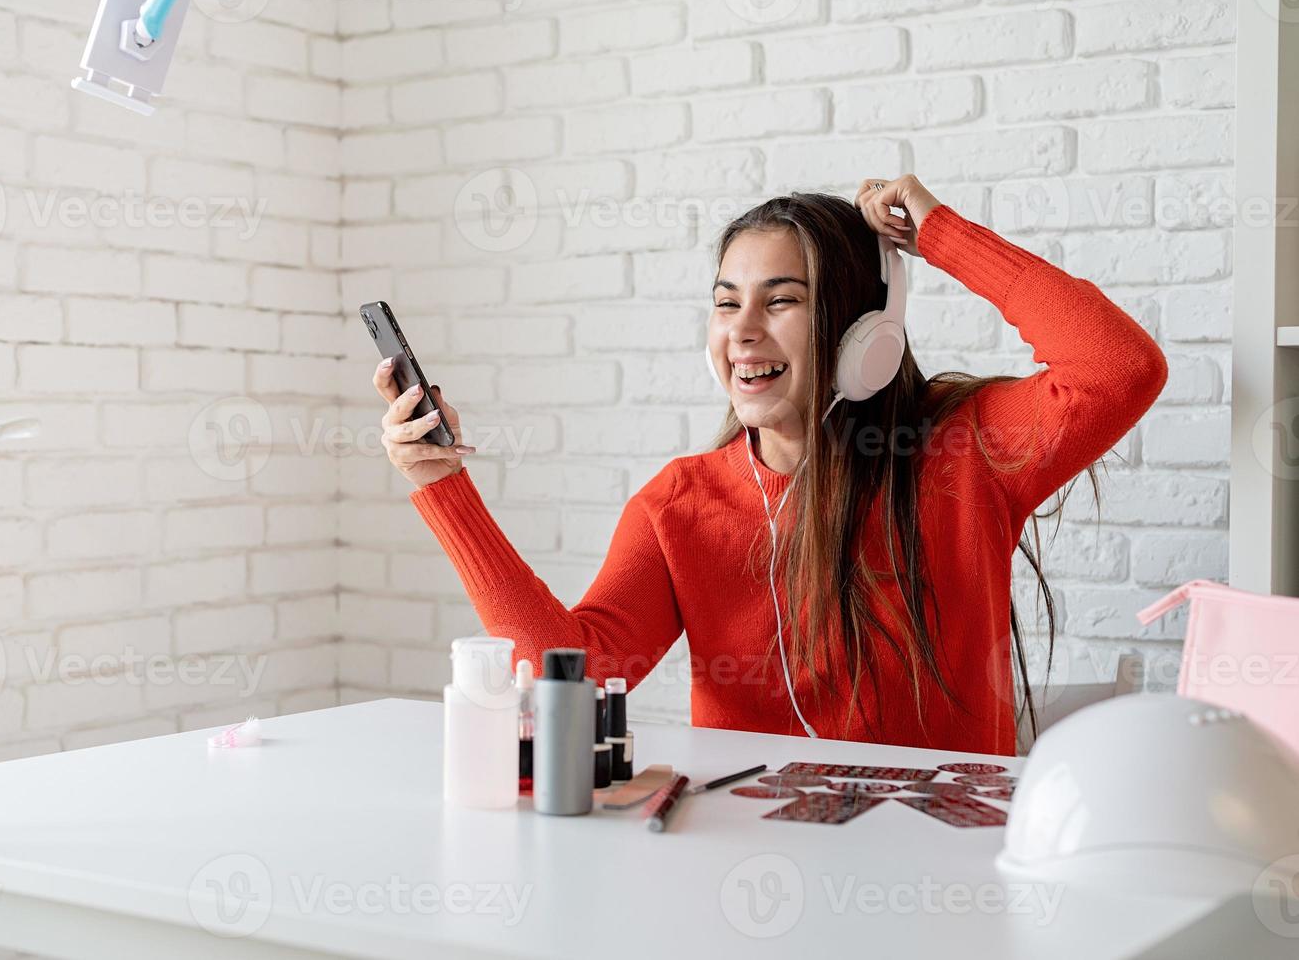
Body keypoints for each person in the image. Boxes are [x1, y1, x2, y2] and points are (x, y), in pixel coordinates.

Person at [371, 174, 1167, 755]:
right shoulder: (679, 504)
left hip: (942, 877)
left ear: (867, 336)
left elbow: (1117, 369)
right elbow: (564, 680)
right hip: (745, 876)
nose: (742, 330)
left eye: (780, 300)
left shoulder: (960, 452)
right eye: (726, 303)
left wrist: (940, 235)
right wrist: (442, 484)